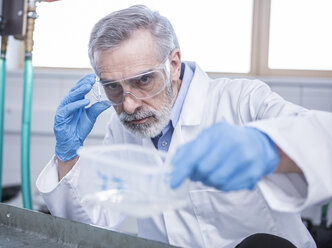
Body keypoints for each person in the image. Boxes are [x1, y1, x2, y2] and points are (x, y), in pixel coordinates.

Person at [36, 5, 332, 248]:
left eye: (143, 80)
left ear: (174, 63)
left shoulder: (242, 101)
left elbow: (324, 141)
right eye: (112, 87)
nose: (128, 105)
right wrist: (67, 156)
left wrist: (269, 148)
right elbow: (90, 226)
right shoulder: (124, 127)